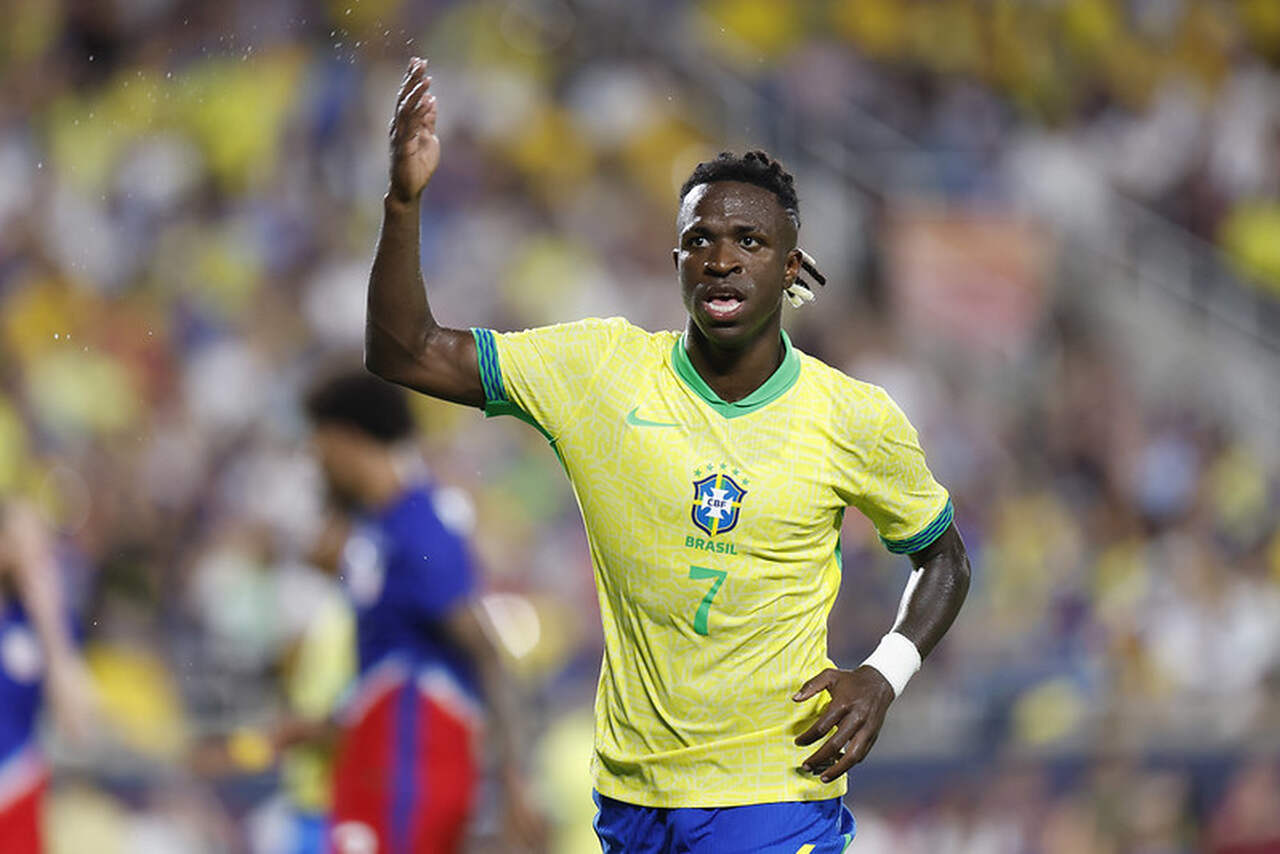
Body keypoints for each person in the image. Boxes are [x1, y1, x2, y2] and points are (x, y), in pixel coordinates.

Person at [365, 56, 971, 853]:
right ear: (676, 263)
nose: (722, 259)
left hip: (774, 788)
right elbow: (403, 352)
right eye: (700, 240)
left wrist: (884, 673)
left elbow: (945, 559)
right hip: (633, 797)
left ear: (790, 268)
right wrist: (405, 202)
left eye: (750, 241)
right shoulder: (599, 371)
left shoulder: (851, 415)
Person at [302, 369, 544, 854]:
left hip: (413, 765)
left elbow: (481, 648)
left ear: (347, 440)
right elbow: (397, 655)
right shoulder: (380, 526)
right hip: (382, 760)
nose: (314, 460)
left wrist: (515, 779)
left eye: (320, 443)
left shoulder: (421, 527)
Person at [0, 500, 98, 853]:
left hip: (14, 793)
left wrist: (49, 622)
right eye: (22, 537)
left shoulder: (39, 623)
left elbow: (78, 724)